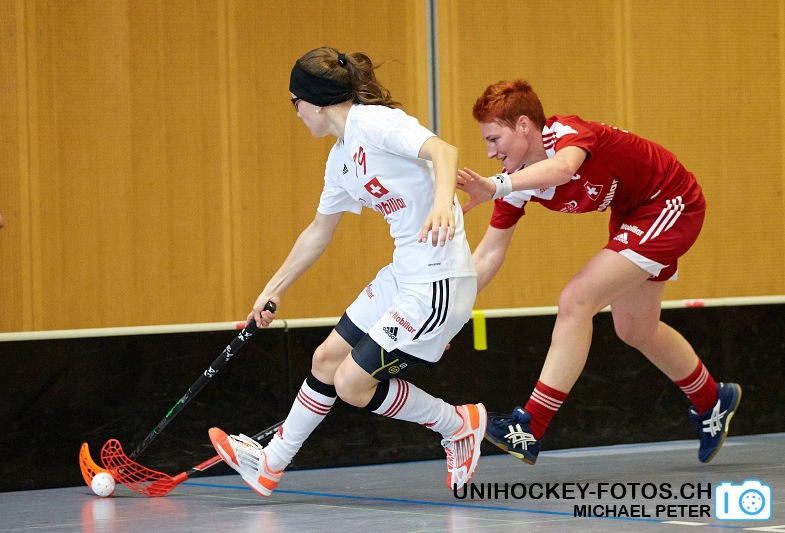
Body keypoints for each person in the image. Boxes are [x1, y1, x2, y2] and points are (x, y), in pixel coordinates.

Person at [208, 47, 486, 497]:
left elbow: (443, 150)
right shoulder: (340, 159)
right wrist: (271, 290)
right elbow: (319, 231)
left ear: (313, 101)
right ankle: (270, 465)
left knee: (352, 385)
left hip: (437, 281)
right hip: (402, 274)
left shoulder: (373, 123)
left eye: (293, 102)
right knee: (325, 359)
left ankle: (458, 424)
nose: (295, 113)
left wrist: (441, 205)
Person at [457, 79, 740, 466]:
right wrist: (450, 316)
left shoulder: (566, 134)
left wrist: (495, 186)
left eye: (494, 140)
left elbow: (562, 169)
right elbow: (488, 254)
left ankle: (530, 426)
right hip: (632, 214)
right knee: (635, 328)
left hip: (671, 202)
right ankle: (713, 399)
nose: (490, 152)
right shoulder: (516, 180)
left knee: (577, 299)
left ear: (524, 125)